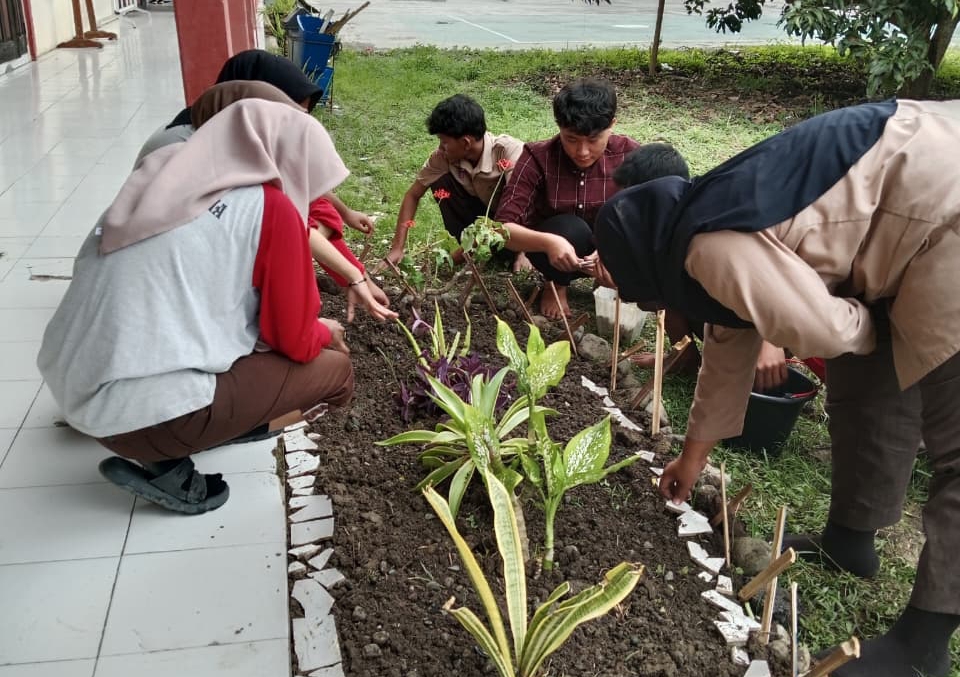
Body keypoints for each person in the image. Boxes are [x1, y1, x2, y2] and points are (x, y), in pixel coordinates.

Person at [593, 99, 960, 677]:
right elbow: (730, 341)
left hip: (942, 202)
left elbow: (811, 327)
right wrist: (694, 457)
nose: (654, 309)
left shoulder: (706, 247)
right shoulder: (693, 229)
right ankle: (850, 538)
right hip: (908, 179)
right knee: (866, 385)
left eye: (646, 298)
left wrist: (878, 326)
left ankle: (923, 645)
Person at [37, 99, 395, 515]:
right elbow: (294, 339)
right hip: (136, 420)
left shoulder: (166, 169)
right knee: (335, 371)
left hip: (73, 383)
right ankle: (187, 450)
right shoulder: (269, 208)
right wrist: (324, 330)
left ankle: (203, 422)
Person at [189, 81, 392, 320]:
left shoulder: (237, 157)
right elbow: (296, 231)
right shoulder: (244, 197)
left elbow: (306, 204)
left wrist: (355, 272)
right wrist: (355, 280)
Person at [134, 49, 375, 237]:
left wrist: (345, 213)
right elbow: (267, 228)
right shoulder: (186, 147)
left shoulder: (222, 127)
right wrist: (353, 276)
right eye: (290, 114)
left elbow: (298, 176)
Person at [613, 142, 791, 389]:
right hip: (719, 314)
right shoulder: (664, 228)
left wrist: (770, 342)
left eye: (635, 207)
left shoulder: (716, 225)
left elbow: (768, 278)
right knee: (663, 283)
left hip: (773, 318)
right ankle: (684, 356)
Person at [494, 78, 640, 319]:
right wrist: (549, 243)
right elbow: (501, 229)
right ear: (559, 126)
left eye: (593, 140)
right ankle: (556, 284)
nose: (582, 152)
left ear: (612, 125)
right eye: (571, 139)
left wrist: (611, 251)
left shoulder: (631, 155)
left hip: (610, 248)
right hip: (554, 254)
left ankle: (606, 278)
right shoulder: (537, 157)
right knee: (568, 227)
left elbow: (651, 216)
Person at [379, 94, 525, 271]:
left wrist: (524, 252)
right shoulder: (443, 157)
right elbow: (413, 194)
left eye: (444, 142)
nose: (440, 147)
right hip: (484, 226)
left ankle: (517, 253)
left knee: (517, 205)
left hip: (517, 229)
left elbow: (524, 206)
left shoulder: (508, 152)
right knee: (442, 181)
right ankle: (474, 247)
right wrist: (397, 248)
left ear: (465, 143)